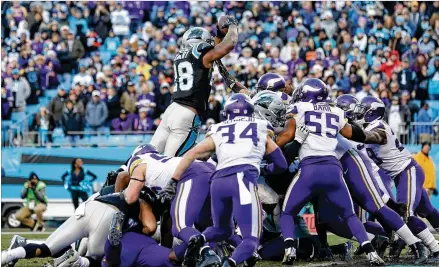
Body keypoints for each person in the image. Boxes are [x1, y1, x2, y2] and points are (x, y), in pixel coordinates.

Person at [164, 94, 288, 266]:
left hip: (218, 182)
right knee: (251, 240)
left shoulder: (218, 129)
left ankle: (199, 240)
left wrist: (173, 180)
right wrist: (267, 169)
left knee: (222, 230)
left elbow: (192, 153)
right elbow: (281, 164)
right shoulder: (260, 127)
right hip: (242, 179)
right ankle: (228, 263)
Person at [280, 79, 387, 266]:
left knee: (288, 212)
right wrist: (367, 135)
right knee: (349, 214)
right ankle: (371, 252)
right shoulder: (336, 111)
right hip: (333, 169)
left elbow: (287, 136)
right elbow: (351, 133)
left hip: (309, 168)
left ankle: (289, 248)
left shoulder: (299, 107)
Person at [355, 96, 439, 260]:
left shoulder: (378, 126)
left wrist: (352, 132)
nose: (360, 113)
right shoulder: (368, 126)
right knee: (427, 210)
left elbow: (372, 137)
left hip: (407, 171)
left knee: (406, 215)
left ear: (371, 112)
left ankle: (434, 249)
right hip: (402, 175)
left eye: (362, 110)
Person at [150, 17, 241, 157]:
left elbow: (214, 48)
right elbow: (229, 44)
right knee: (171, 163)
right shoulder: (203, 55)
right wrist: (233, 26)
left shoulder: (182, 55)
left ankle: (124, 173)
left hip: (172, 110)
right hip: (187, 114)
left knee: (149, 154)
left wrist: (219, 33)